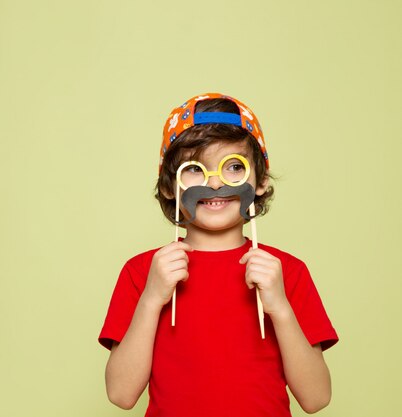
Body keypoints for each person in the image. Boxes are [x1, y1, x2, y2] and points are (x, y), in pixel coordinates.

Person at [98, 93, 338, 417]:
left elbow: (317, 398)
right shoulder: (142, 272)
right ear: (170, 186)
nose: (214, 183)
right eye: (195, 169)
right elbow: (121, 394)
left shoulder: (286, 272)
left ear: (262, 181)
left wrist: (280, 306)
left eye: (234, 166)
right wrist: (152, 298)